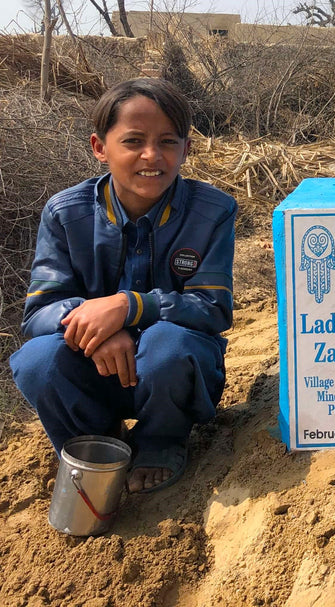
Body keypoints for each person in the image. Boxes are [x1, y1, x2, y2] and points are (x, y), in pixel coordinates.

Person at [10, 78, 237, 494]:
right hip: (97, 370)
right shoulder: (65, 213)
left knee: (170, 344)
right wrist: (97, 331)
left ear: (186, 150)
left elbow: (213, 308)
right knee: (36, 360)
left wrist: (131, 306)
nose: (152, 156)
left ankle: (161, 442)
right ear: (100, 148)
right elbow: (40, 310)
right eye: (133, 141)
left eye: (168, 141)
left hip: (171, 375)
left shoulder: (213, 211)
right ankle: (96, 441)